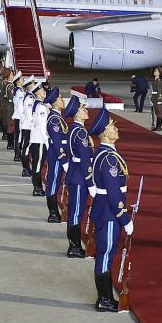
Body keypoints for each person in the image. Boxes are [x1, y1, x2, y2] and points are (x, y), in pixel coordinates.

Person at [88, 109, 132, 313]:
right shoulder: (109, 159)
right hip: (109, 212)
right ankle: (104, 298)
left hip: (104, 208)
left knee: (107, 252)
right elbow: (114, 193)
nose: (116, 129)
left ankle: (104, 296)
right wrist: (125, 218)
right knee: (105, 254)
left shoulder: (106, 154)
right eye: (112, 127)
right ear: (105, 134)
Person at [63, 97, 93, 257]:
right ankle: (74, 246)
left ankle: (73, 244)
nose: (86, 111)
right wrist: (90, 181)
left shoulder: (74, 129)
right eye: (83, 109)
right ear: (76, 113)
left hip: (75, 174)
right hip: (80, 177)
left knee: (75, 211)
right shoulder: (80, 132)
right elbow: (84, 159)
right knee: (76, 213)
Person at [44, 87, 69, 221]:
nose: (62, 100)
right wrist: (64, 160)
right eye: (60, 98)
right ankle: (53, 213)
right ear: (55, 101)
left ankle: (54, 212)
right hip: (56, 157)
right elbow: (58, 143)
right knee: (53, 183)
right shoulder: (54, 119)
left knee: (55, 182)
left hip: (59, 157)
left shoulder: (58, 117)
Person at [29, 85, 50, 197]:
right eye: (42, 91)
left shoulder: (39, 104)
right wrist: (46, 141)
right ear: (38, 93)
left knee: (37, 164)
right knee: (38, 165)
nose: (45, 92)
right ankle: (37, 188)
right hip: (40, 140)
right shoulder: (41, 107)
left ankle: (37, 187)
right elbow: (42, 126)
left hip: (36, 139)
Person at [18, 79, 37, 176]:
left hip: (29, 127)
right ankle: (25, 168)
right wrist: (34, 126)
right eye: (34, 84)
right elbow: (30, 115)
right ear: (30, 86)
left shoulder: (31, 97)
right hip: (28, 127)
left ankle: (27, 167)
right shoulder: (29, 99)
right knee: (26, 148)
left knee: (28, 148)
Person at [149, 67, 162, 131]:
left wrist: (159, 100)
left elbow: (159, 91)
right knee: (156, 113)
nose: (155, 72)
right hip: (154, 98)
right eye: (155, 71)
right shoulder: (154, 80)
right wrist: (152, 98)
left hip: (157, 99)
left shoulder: (158, 81)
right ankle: (157, 126)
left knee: (159, 113)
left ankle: (159, 126)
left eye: (157, 71)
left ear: (159, 73)